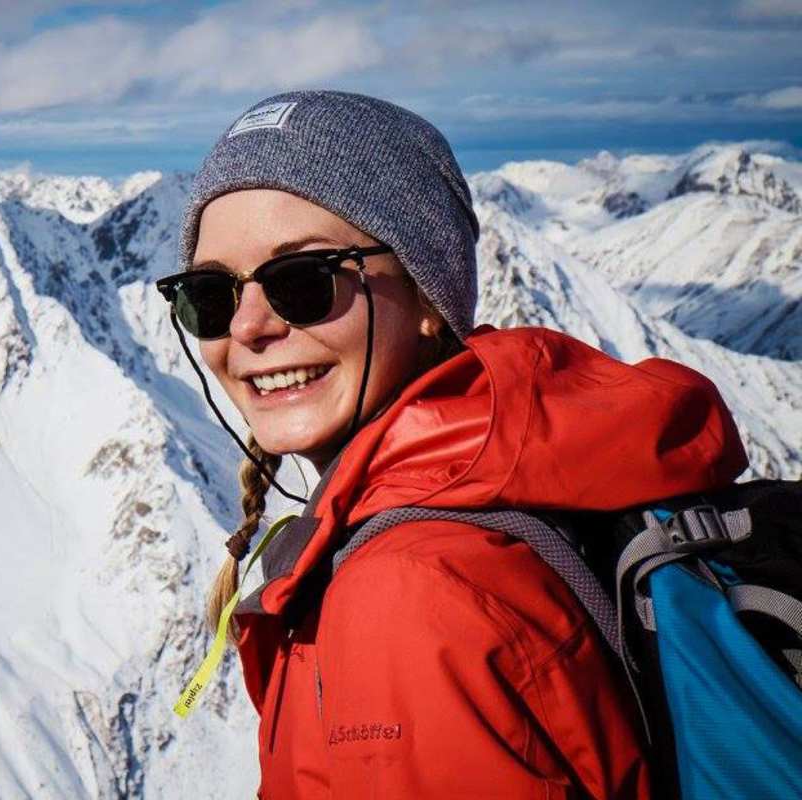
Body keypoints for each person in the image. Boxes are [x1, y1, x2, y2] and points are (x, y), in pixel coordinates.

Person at [156, 90, 747, 798]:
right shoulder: (504, 478)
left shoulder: (409, 597)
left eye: (303, 281)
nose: (249, 327)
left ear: (429, 298)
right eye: (210, 294)